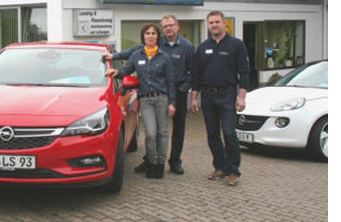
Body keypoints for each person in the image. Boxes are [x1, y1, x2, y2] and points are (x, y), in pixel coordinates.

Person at [103, 15, 194, 175]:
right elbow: (135, 52)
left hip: (177, 90)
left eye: (171, 25)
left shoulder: (187, 46)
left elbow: (194, 70)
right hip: (153, 91)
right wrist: (115, 56)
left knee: (176, 128)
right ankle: (150, 161)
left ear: (177, 26)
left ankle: (174, 162)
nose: (168, 29)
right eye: (165, 26)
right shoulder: (160, 43)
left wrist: (184, 89)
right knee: (153, 131)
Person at [190, 10, 249, 187]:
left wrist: (242, 97)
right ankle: (220, 166)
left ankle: (233, 171)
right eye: (211, 23)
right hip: (208, 96)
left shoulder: (236, 45)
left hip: (228, 95)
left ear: (224, 23)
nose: (214, 25)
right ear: (208, 25)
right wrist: (194, 98)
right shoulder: (203, 47)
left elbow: (244, 72)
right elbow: (196, 75)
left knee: (229, 133)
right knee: (212, 134)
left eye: (217, 22)